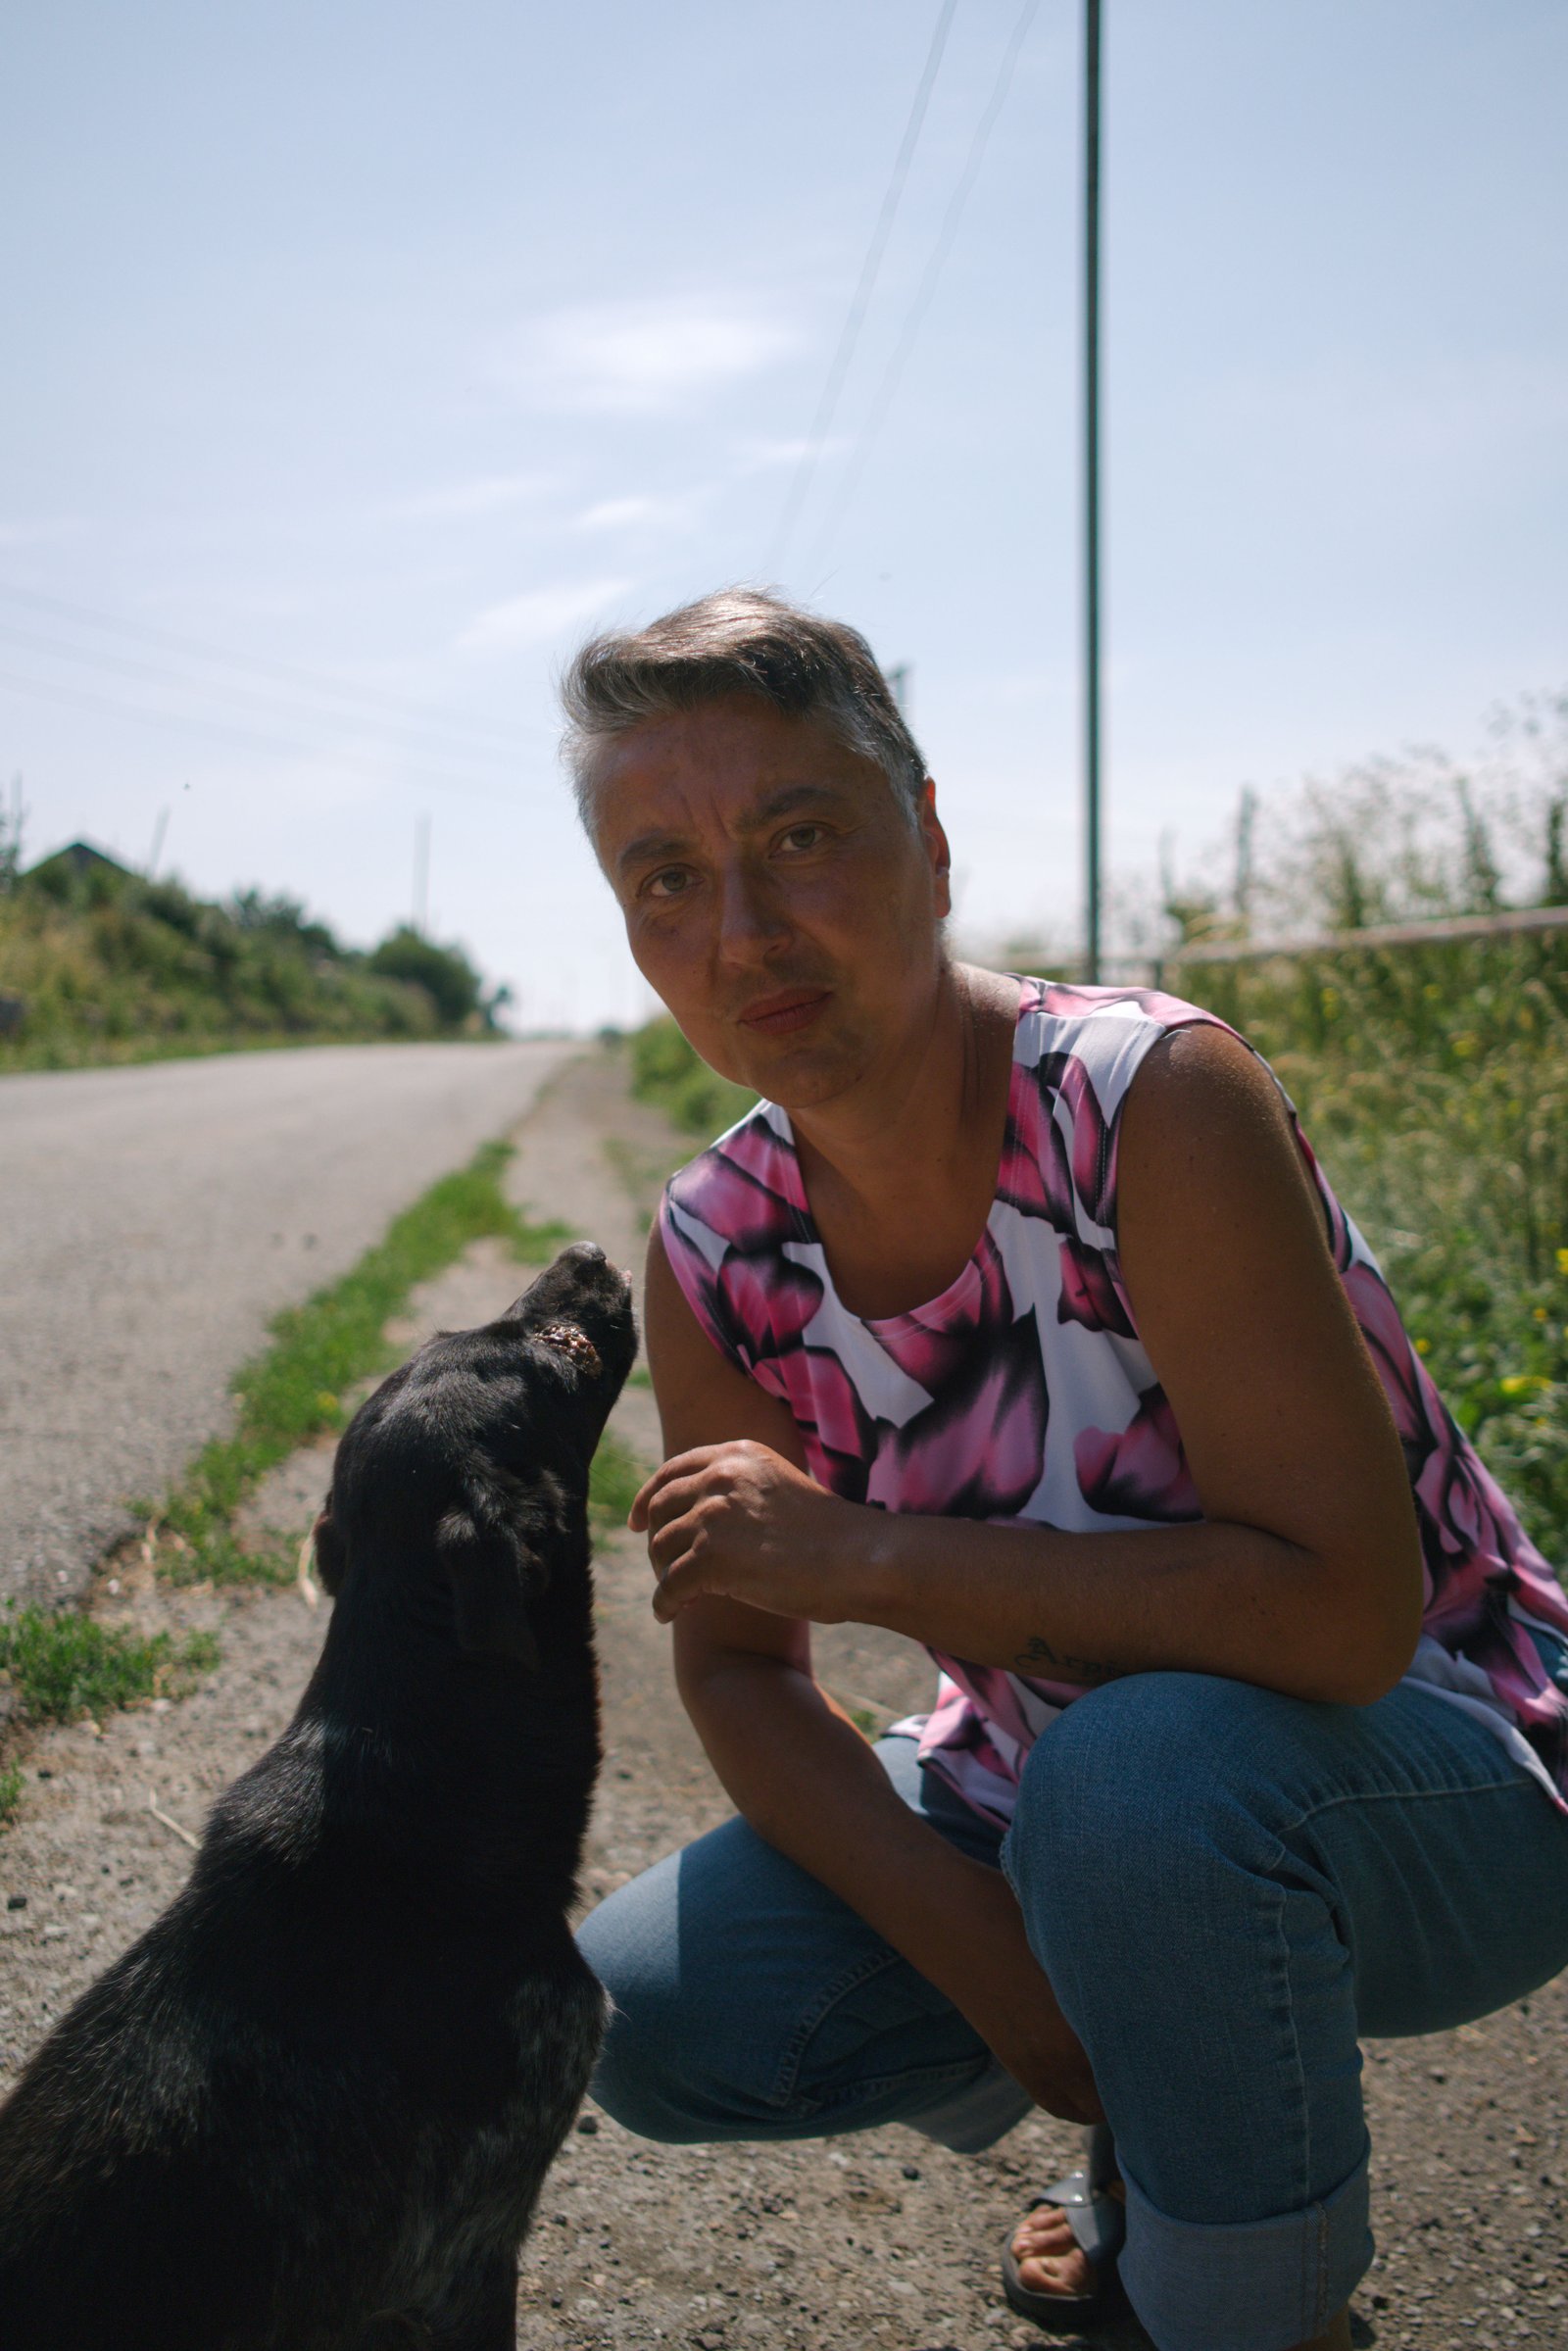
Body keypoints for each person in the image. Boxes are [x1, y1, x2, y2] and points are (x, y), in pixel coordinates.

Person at [564, 589, 1568, 2351]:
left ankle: (1249, 2306)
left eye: (802, 838)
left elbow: (1340, 1621)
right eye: (666, 877)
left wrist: (872, 1555)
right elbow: (733, 1664)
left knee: (1135, 1782)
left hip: (1452, 1756)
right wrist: (982, 1952)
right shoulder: (718, 1241)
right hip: (1064, 1796)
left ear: (929, 841)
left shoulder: (1144, 1100)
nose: (743, 928)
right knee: (649, 2008)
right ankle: (1178, 2141)